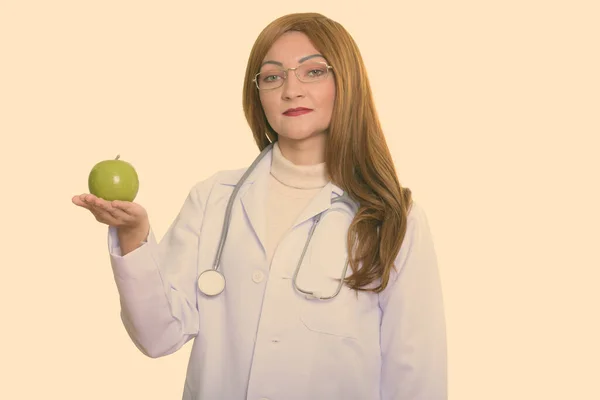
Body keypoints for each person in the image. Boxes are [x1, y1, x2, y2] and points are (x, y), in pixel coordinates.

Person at [72, 12, 447, 400]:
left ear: (346, 82)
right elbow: (158, 336)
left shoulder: (392, 217)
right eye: (272, 76)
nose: (291, 90)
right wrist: (133, 237)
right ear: (258, 95)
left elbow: (416, 372)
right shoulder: (213, 198)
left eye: (313, 72)